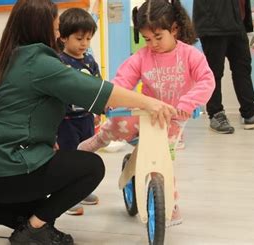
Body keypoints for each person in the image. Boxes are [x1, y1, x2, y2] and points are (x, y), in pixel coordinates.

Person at [0, 0, 176, 244]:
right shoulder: (39, 63)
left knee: (40, 202)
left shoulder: (5, 59)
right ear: (39, 28)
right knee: (91, 167)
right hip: (9, 171)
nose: (58, 35)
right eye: (55, 29)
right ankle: (34, 230)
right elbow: (96, 89)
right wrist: (149, 102)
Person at [78, 0, 215, 227]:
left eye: (158, 37)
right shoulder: (142, 58)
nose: (153, 44)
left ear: (174, 29)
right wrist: (112, 101)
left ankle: (169, 203)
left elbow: (206, 81)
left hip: (172, 120)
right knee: (119, 124)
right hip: (144, 114)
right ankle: (99, 138)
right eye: (147, 39)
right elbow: (122, 82)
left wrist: (187, 102)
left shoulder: (190, 55)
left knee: (162, 161)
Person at [193, 0, 254, 133]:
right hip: (213, 24)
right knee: (214, 72)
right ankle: (215, 114)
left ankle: (250, 112)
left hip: (238, 24)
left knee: (243, 68)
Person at [56, 7, 101, 216]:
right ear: (63, 37)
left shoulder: (90, 61)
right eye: (79, 38)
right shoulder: (58, 62)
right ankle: (66, 196)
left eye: (88, 39)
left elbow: (98, 86)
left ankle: (81, 190)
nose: (84, 44)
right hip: (66, 121)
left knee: (86, 154)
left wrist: (99, 108)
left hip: (86, 118)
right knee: (69, 157)